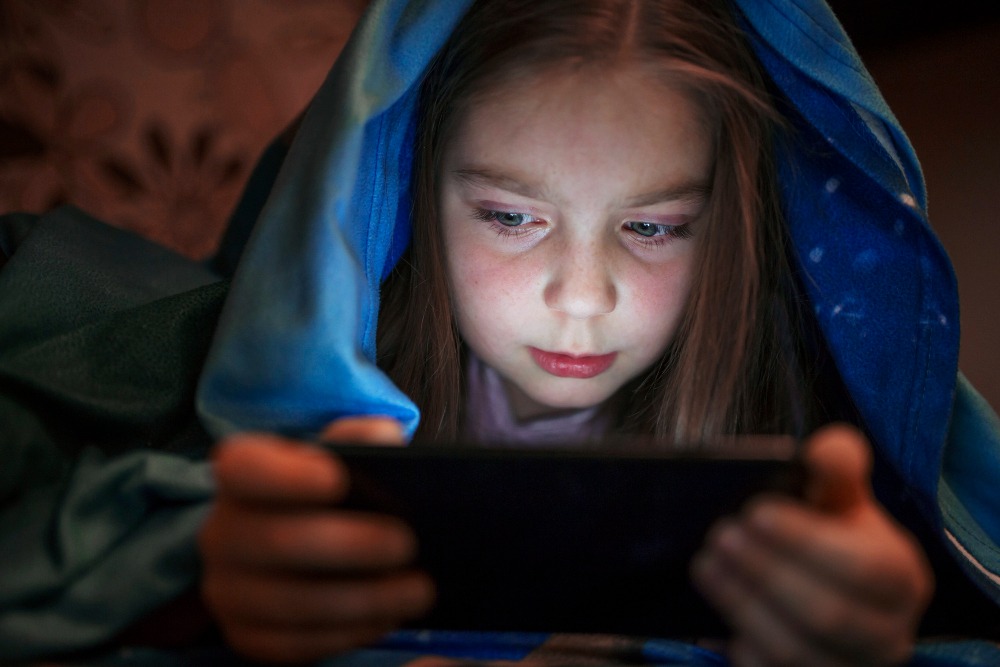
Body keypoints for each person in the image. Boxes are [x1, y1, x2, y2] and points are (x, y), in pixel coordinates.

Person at [1, 0, 999, 666]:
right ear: (402, 193)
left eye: (653, 227)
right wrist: (196, 590)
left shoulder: (807, 422)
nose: (581, 298)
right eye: (512, 216)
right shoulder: (301, 416)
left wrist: (879, 627)